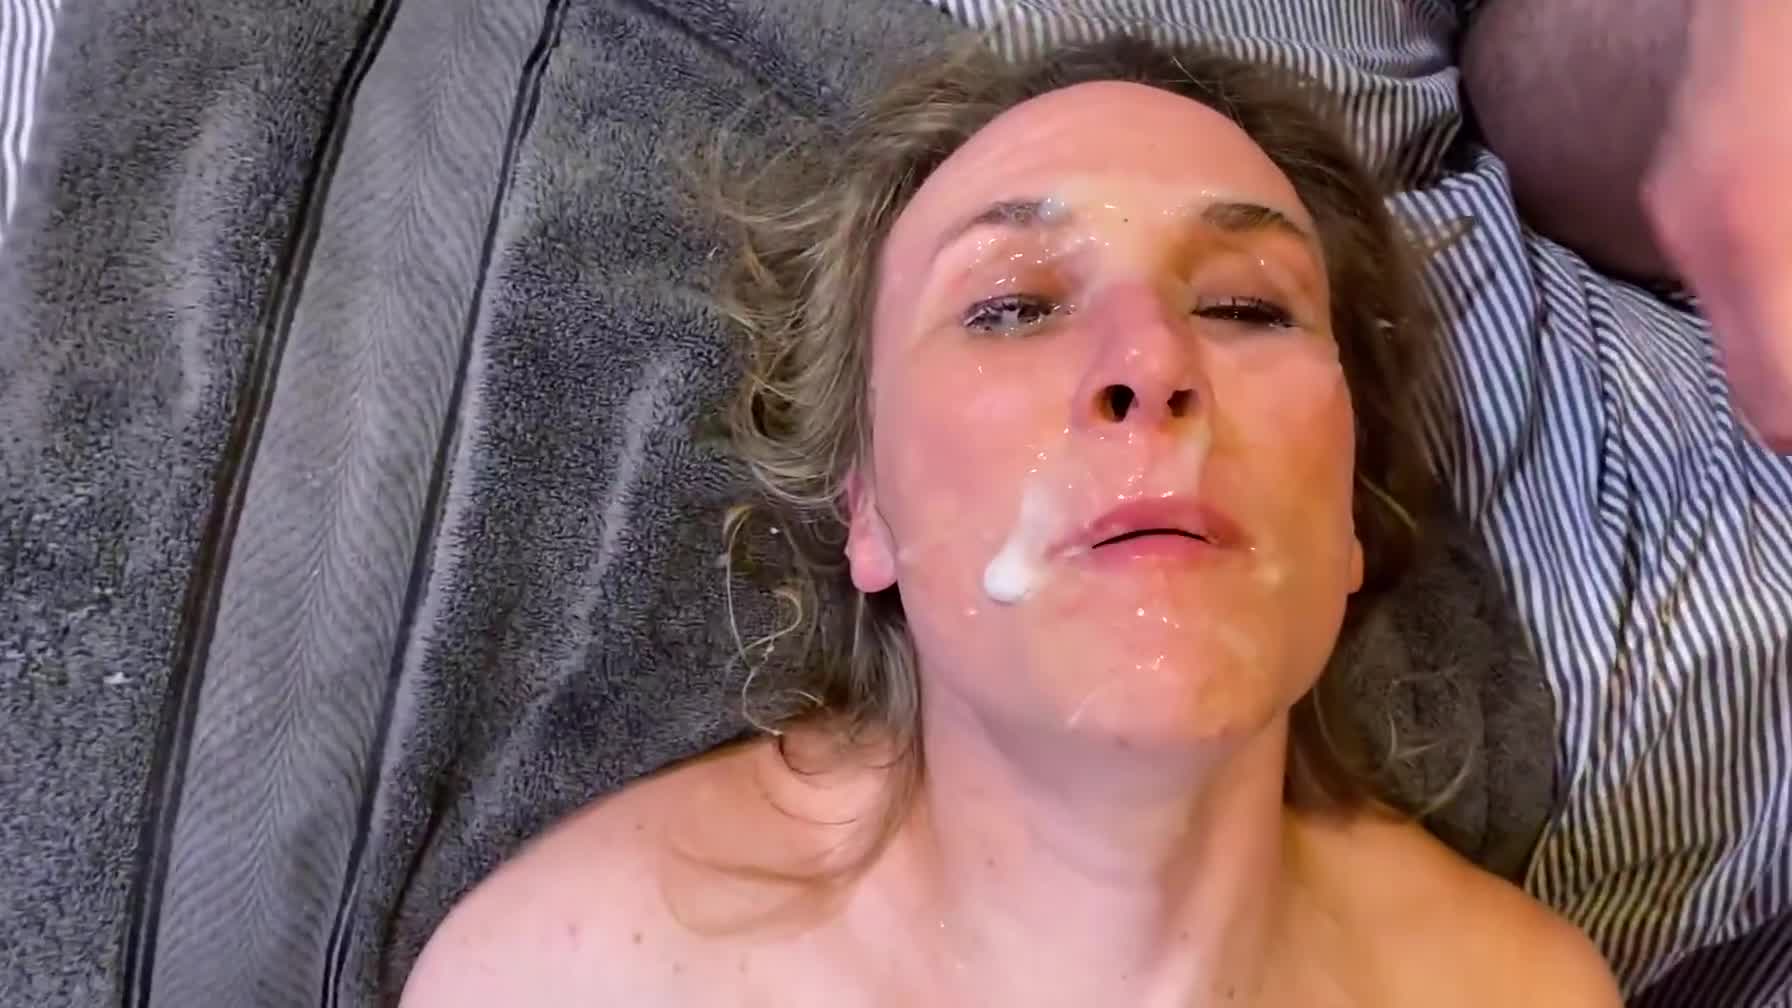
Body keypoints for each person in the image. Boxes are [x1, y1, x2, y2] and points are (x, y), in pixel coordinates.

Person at [400, 37, 1620, 1006]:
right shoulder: (563, 976)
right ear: (867, 506)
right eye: (1012, 307)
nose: (1150, 362)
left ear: (1348, 510)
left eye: (1247, 307)